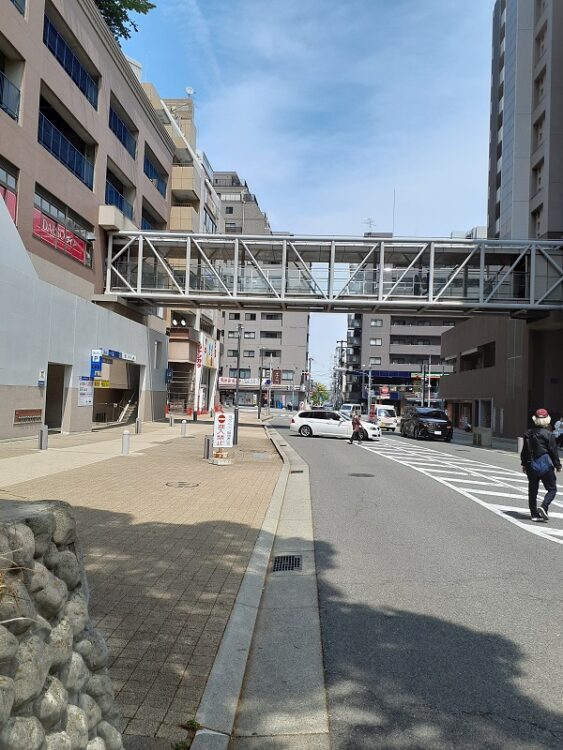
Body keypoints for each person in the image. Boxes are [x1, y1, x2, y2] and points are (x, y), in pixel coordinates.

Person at [520, 408, 562, 521]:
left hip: (530, 464)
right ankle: (544, 506)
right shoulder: (549, 434)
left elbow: (524, 451)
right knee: (552, 489)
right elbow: (553, 451)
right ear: (547, 420)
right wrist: (558, 465)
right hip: (545, 466)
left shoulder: (528, 433)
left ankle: (534, 514)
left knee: (533, 490)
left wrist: (523, 464)